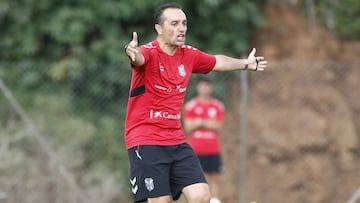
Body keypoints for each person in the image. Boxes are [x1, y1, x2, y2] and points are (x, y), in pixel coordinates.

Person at [124, 3, 267, 203]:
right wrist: (132, 52)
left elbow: (218, 61)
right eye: (174, 23)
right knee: (160, 201)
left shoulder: (188, 55)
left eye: (184, 23)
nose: (181, 28)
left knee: (201, 195)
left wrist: (246, 64)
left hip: (176, 140)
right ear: (159, 28)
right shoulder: (148, 52)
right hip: (146, 140)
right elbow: (138, 58)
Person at [183, 77, 225, 203]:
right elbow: (189, 127)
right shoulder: (190, 106)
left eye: (207, 86)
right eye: (202, 86)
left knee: (214, 178)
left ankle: (215, 200)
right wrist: (207, 122)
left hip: (213, 149)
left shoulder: (217, 106)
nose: (204, 89)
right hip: (195, 150)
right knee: (193, 180)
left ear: (210, 88)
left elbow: (218, 126)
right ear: (198, 88)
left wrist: (199, 121)